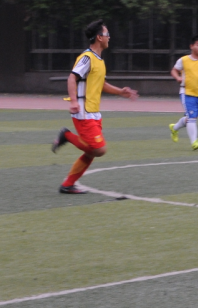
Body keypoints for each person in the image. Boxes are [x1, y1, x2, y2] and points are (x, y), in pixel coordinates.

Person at [50, 21, 138, 193]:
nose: (109, 37)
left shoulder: (99, 60)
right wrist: (74, 101)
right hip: (83, 111)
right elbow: (72, 78)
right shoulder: (87, 58)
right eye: (107, 34)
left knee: (91, 151)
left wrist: (121, 92)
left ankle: (67, 185)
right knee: (99, 149)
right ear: (99, 37)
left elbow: (101, 84)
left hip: (93, 112)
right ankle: (66, 135)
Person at [168, 35, 198, 151]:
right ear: (191, 46)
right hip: (186, 92)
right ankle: (194, 142)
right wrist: (177, 78)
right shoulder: (184, 60)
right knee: (192, 118)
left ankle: (174, 128)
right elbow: (174, 70)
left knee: (189, 118)